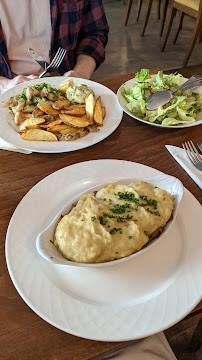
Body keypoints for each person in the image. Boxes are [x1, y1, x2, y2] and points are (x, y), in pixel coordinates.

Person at [0, 0, 109, 94]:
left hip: (66, 84)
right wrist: (5, 85)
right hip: (6, 91)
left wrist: (81, 73)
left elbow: (94, 33)